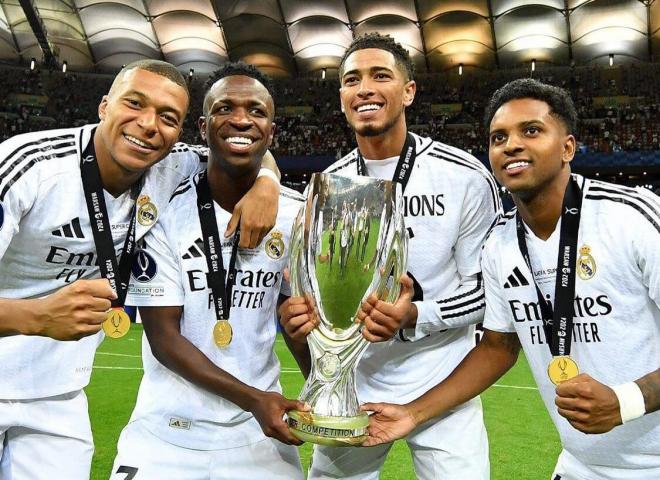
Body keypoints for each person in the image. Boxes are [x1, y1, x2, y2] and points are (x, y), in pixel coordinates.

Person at [362, 78, 660, 480]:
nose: (511, 145)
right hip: (583, 465)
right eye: (498, 137)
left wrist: (627, 401)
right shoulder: (500, 243)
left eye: (531, 131)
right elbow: (498, 348)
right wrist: (412, 414)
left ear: (568, 147)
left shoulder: (631, 217)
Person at [0, 59, 280, 480]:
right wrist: (34, 316)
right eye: (135, 104)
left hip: (56, 396)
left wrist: (268, 183)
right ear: (103, 106)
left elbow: (242, 143)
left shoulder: (172, 166)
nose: (149, 125)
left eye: (169, 118)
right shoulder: (32, 166)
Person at [279, 33, 501, 480]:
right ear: (341, 96)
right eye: (351, 80)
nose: (364, 88)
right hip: (353, 382)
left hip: (442, 380)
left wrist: (417, 313)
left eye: (381, 76)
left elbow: (489, 294)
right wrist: (300, 316)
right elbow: (308, 290)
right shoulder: (324, 187)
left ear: (408, 91)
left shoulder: (464, 176)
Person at [109, 62, 307, 480]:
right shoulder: (162, 209)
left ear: (271, 131)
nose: (240, 119)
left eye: (256, 111)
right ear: (202, 125)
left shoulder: (298, 214)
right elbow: (164, 339)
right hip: (165, 430)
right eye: (225, 108)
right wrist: (253, 398)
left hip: (258, 436)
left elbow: (298, 320)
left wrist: (327, 388)